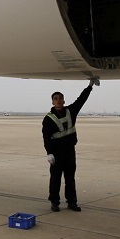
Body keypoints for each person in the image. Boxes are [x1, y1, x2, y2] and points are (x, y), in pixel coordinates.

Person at [42, 77, 98, 212]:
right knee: (55, 179)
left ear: (64, 100)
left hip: (69, 151)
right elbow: (46, 137)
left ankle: (72, 202)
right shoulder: (48, 119)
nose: (59, 101)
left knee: (70, 178)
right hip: (56, 153)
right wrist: (49, 153)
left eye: (60, 98)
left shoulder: (71, 111)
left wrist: (90, 86)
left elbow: (81, 99)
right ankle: (54, 202)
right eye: (56, 99)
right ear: (52, 102)